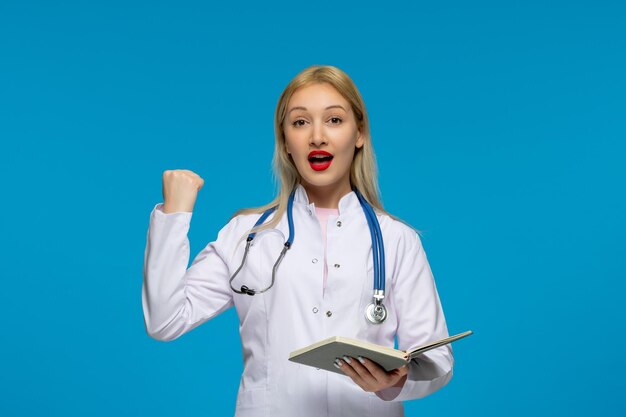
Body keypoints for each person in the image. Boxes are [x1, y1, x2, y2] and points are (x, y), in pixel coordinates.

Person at [142, 65, 454, 417]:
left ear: (359, 133)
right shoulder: (247, 236)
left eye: (334, 120)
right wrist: (174, 215)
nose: (317, 137)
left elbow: (436, 360)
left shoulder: (397, 240)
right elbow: (164, 320)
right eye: (300, 122)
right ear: (285, 141)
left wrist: (394, 382)